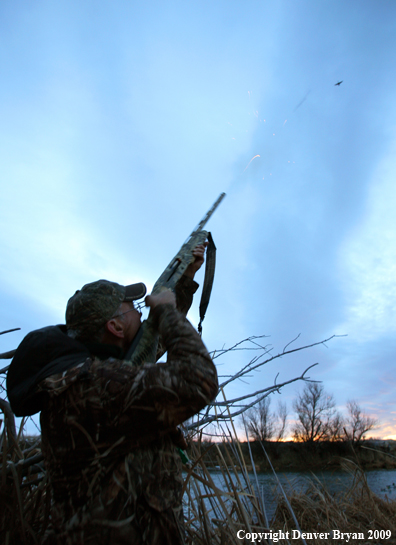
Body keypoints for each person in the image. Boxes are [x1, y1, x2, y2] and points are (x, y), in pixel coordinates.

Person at [7, 245, 218, 544]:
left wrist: (183, 281)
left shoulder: (86, 376)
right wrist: (168, 313)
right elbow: (199, 379)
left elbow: (148, 348)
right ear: (115, 327)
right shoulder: (101, 385)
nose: (140, 310)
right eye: (132, 308)